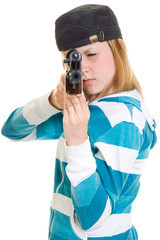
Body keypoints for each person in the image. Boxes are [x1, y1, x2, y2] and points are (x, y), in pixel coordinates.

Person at [1, 4, 157, 240]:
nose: (82, 68)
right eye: (70, 60)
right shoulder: (89, 109)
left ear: (119, 49)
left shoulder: (124, 118)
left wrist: (77, 141)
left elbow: (92, 219)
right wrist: (52, 101)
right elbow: (13, 130)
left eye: (91, 54)